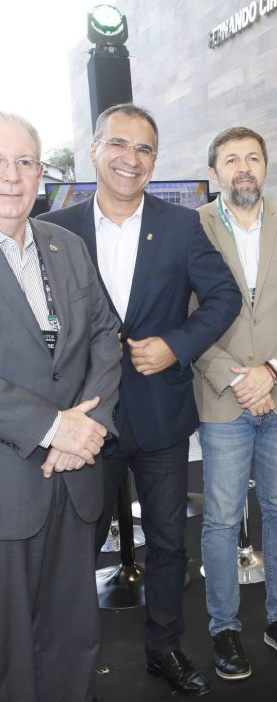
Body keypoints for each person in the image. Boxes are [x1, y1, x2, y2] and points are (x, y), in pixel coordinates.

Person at [38, 104, 242, 697]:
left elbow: (224, 298)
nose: (131, 158)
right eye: (119, 144)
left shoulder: (181, 226)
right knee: (75, 547)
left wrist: (176, 346)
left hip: (160, 415)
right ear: (94, 151)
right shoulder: (55, 228)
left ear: (155, 160)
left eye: (145, 148)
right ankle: (69, 661)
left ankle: (164, 648)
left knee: (169, 542)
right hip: (83, 420)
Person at [192, 126, 277, 681]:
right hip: (222, 394)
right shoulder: (192, 227)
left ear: (266, 167)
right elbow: (185, 315)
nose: (243, 168)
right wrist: (237, 379)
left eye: (252, 158)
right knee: (222, 518)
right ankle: (223, 627)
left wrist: (269, 372)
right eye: (231, 160)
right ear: (213, 173)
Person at [0, 111, 121, 702]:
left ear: (41, 173)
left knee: (73, 635)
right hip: (9, 483)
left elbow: (105, 335)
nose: (12, 176)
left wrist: (87, 428)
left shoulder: (66, 245)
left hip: (75, 479)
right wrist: (53, 427)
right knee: (10, 647)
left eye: (24, 162)